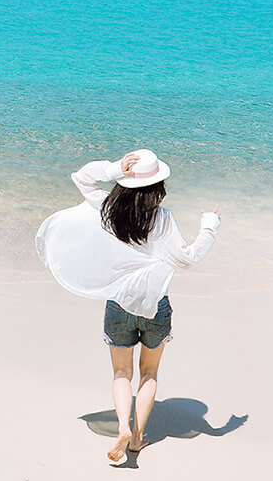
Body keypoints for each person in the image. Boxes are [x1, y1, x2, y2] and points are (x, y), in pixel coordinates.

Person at [34, 150, 222, 463]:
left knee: (121, 372)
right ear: (158, 187)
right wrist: (210, 225)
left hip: (119, 306)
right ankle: (136, 440)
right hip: (155, 308)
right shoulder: (161, 219)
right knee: (149, 373)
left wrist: (111, 168)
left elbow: (81, 177)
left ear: (125, 181)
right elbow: (187, 259)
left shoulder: (108, 207)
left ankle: (122, 426)